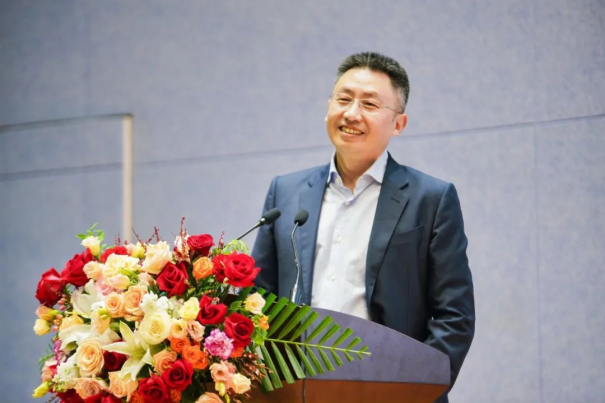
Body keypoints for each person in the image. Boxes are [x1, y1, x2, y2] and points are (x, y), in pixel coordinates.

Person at [251, 52, 474, 402]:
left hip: (389, 393)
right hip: (298, 392)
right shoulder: (286, 192)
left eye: (369, 104)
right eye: (343, 99)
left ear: (398, 123)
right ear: (328, 107)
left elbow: (454, 317)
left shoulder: (430, 198)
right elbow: (256, 300)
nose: (352, 113)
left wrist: (412, 391)